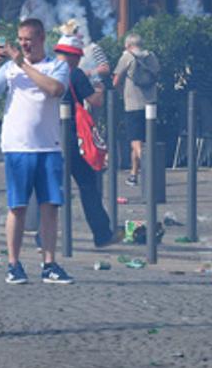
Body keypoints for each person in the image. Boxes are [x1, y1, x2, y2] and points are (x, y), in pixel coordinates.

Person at [0, 18, 73, 285]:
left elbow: (55, 89)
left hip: (49, 145)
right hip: (17, 145)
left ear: (41, 38)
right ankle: (13, 263)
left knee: (50, 207)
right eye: (20, 40)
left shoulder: (57, 66)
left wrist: (22, 64)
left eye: (28, 39)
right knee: (17, 206)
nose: (23, 44)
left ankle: (49, 263)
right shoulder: (8, 69)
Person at [53, 34, 116, 248]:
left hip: (50, 135)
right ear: (74, 56)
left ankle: (43, 236)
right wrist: (100, 88)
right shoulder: (75, 74)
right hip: (71, 136)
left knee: (51, 186)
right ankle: (102, 233)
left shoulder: (48, 70)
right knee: (88, 184)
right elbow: (95, 101)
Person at [113, 34, 159, 187]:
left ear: (127, 45)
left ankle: (149, 170)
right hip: (151, 104)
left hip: (133, 104)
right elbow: (157, 74)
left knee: (135, 141)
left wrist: (120, 92)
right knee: (143, 140)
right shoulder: (151, 56)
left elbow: (116, 80)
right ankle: (134, 175)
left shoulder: (127, 56)